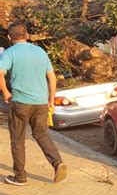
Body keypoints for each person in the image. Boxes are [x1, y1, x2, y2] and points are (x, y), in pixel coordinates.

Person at [0, 22, 67, 185]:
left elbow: (0, 73)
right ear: (27, 36)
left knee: (17, 139)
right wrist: (51, 99)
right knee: (41, 134)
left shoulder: (9, 53)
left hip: (20, 103)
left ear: (9, 37)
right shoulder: (40, 52)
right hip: (41, 102)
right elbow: (51, 77)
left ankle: (20, 177)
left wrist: (5, 92)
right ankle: (58, 163)